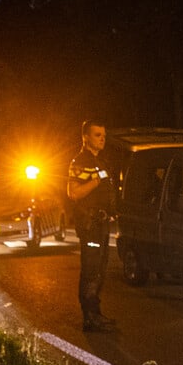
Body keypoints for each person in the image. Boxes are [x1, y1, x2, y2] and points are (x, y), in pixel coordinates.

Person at [67, 120, 117, 331]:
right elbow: (73, 192)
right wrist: (95, 181)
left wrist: (112, 211)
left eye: (103, 135)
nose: (102, 139)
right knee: (91, 270)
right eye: (97, 135)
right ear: (85, 137)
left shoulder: (100, 161)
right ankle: (89, 317)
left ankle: (96, 313)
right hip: (90, 226)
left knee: (100, 271)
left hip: (101, 224)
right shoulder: (80, 161)